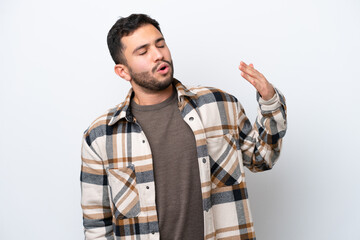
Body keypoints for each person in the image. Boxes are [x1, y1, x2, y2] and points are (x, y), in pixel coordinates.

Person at [80, 13, 287, 240]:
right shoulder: (101, 136)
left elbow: (262, 158)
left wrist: (269, 102)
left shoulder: (219, 106)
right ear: (123, 71)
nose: (158, 55)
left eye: (160, 44)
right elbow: (97, 226)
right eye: (143, 51)